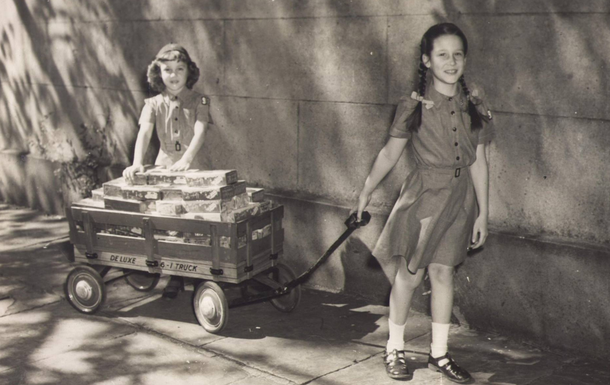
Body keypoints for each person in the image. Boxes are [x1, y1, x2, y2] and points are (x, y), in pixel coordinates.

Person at [355, 23, 494, 383]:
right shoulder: (413, 105)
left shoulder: (473, 103)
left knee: (443, 272)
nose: (451, 61)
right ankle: (395, 348)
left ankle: (439, 354)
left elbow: (479, 161)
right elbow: (389, 152)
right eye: (442, 54)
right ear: (427, 60)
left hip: (461, 199)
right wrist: (367, 188)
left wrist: (483, 213)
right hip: (426, 196)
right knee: (410, 275)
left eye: (458, 54)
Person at [123, 43, 212, 299]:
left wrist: (186, 159)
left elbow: (200, 130)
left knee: (193, 221)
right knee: (167, 219)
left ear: (188, 72)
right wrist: (137, 161)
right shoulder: (152, 103)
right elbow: (144, 132)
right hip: (165, 166)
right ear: (158, 73)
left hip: (193, 165)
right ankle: (173, 272)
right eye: (167, 70)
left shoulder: (199, 100)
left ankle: (195, 273)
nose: (173, 75)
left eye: (179, 69)